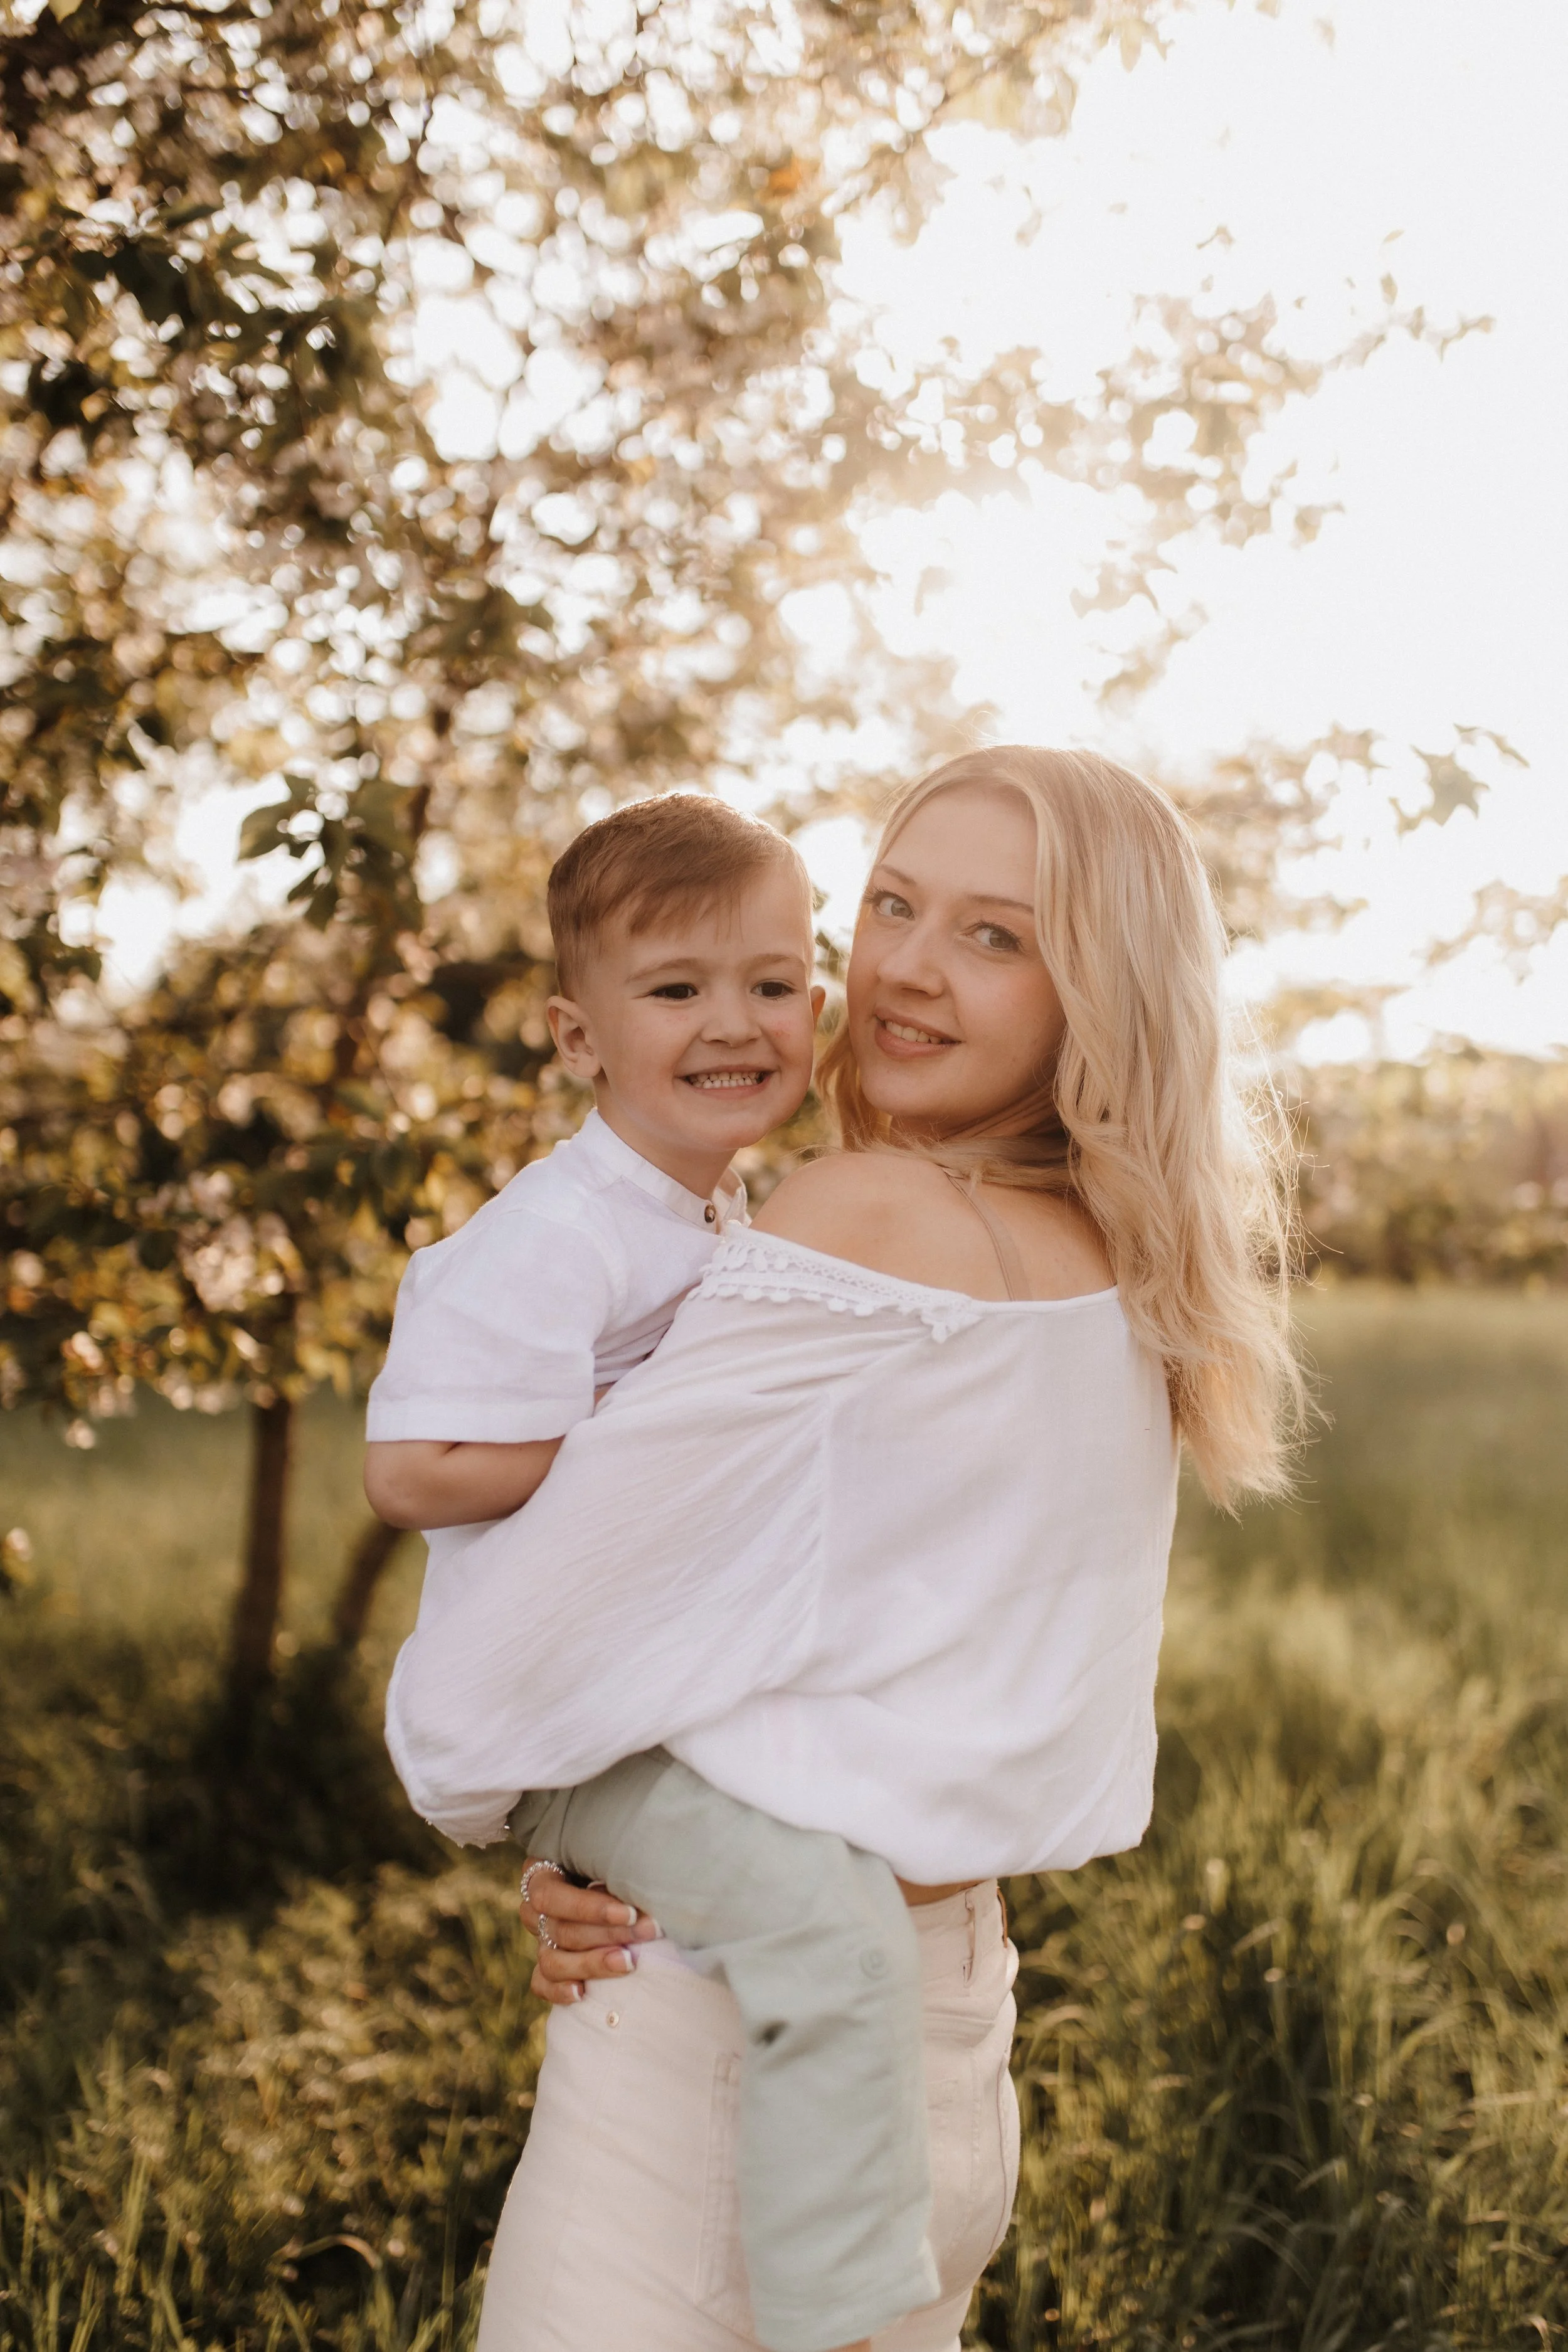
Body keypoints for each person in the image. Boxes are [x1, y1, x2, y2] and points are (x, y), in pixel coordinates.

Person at [385, 746, 1305, 2352]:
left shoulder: (857, 1220)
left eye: (994, 936)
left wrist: (536, 1812)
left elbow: (516, 1647)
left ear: (1098, 988)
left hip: (726, 2074)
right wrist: (631, 1850)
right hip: (946, 2028)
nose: (906, 969)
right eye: (891, 905)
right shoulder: (1128, 1268)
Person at [367, 792, 946, 2352]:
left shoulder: (714, 1210)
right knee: (825, 1932)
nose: (733, 1023)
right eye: (675, 988)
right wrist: (632, 1447)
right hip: (575, 1728)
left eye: (770, 983)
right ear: (578, 1035)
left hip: (639, 1699)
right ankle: (841, 2317)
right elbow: (410, 1469)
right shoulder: (560, 1234)